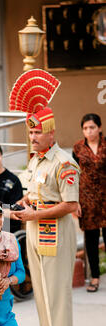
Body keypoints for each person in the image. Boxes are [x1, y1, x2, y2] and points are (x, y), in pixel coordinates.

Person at [12, 107, 80, 326]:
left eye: (38, 131)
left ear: (51, 133)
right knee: (42, 288)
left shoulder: (63, 162)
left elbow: (70, 205)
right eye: (30, 131)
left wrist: (35, 212)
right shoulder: (35, 160)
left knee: (56, 289)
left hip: (55, 230)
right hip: (34, 227)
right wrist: (24, 202)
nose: (33, 135)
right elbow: (35, 190)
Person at [73, 113, 106, 293]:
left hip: (105, 199)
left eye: (92, 127)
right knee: (91, 241)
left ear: (99, 128)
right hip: (87, 201)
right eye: (85, 128)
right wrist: (74, 202)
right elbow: (74, 175)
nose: (89, 131)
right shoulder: (77, 148)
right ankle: (94, 277)